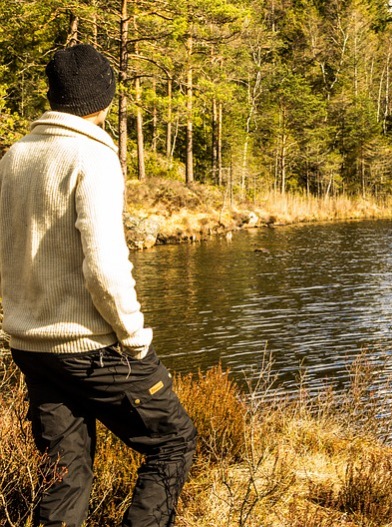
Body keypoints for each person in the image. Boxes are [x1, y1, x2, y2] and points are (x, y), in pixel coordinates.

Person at [0, 44, 196, 527]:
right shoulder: (93, 157)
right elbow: (105, 266)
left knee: (64, 478)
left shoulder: (13, 158)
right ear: (101, 98)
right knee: (174, 442)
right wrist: (135, 339)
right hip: (92, 350)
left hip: (31, 347)